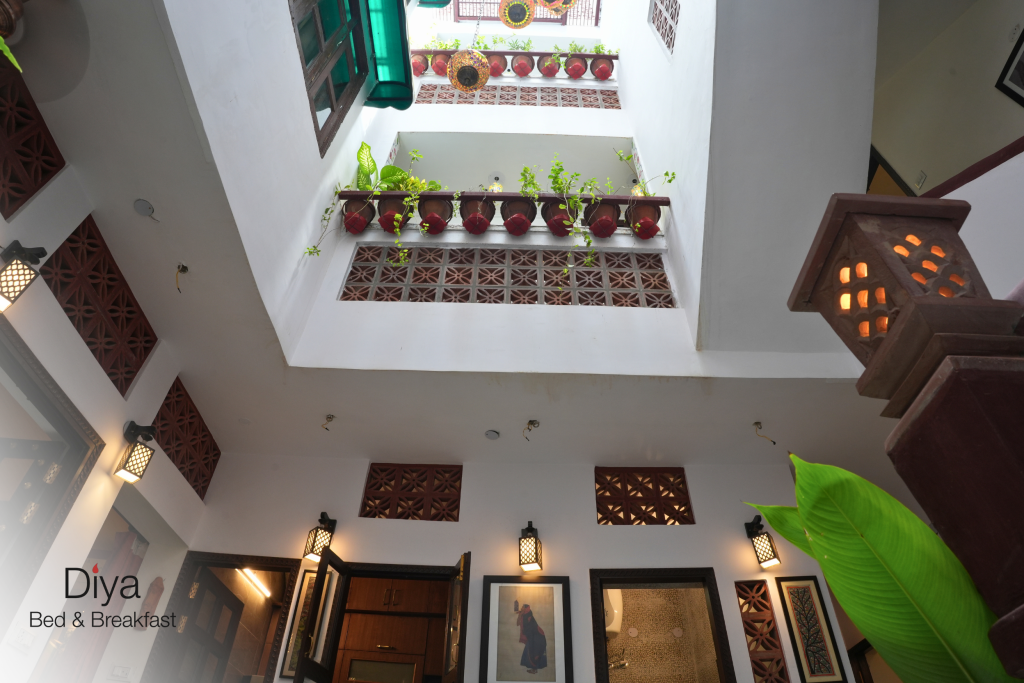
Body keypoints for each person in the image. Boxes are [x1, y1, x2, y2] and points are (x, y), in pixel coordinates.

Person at [516, 603, 547, 674]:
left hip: (537, 637)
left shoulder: (528, 616)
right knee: (530, 652)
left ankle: (534, 669)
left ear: (526, 609)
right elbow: (518, 623)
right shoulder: (523, 615)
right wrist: (520, 615)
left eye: (523, 607)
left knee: (534, 652)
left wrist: (521, 614)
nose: (521, 608)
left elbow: (530, 627)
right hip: (532, 637)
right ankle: (534, 669)